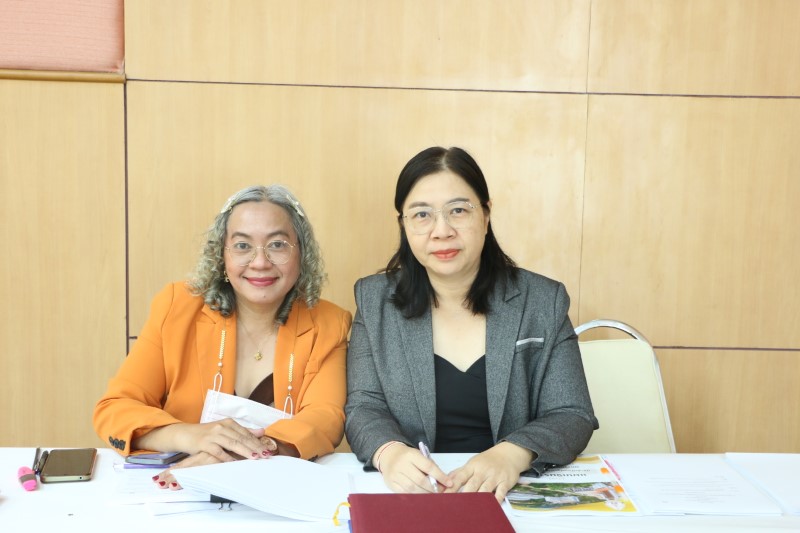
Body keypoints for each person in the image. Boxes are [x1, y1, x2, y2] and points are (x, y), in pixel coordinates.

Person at [344, 146, 598, 502]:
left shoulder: (542, 301)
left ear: (486, 214)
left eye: (458, 210)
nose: (442, 231)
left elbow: (571, 413)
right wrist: (390, 453)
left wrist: (512, 454)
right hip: (418, 494)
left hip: (509, 491)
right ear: (403, 224)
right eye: (422, 215)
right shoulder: (375, 302)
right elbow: (363, 407)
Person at [94, 184, 352, 488]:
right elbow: (115, 409)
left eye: (277, 244)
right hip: (180, 488)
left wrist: (241, 452)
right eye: (242, 245)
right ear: (221, 255)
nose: (260, 262)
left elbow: (324, 418)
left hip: (276, 489)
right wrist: (191, 436)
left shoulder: (329, 323)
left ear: (301, 254)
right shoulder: (177, 308)